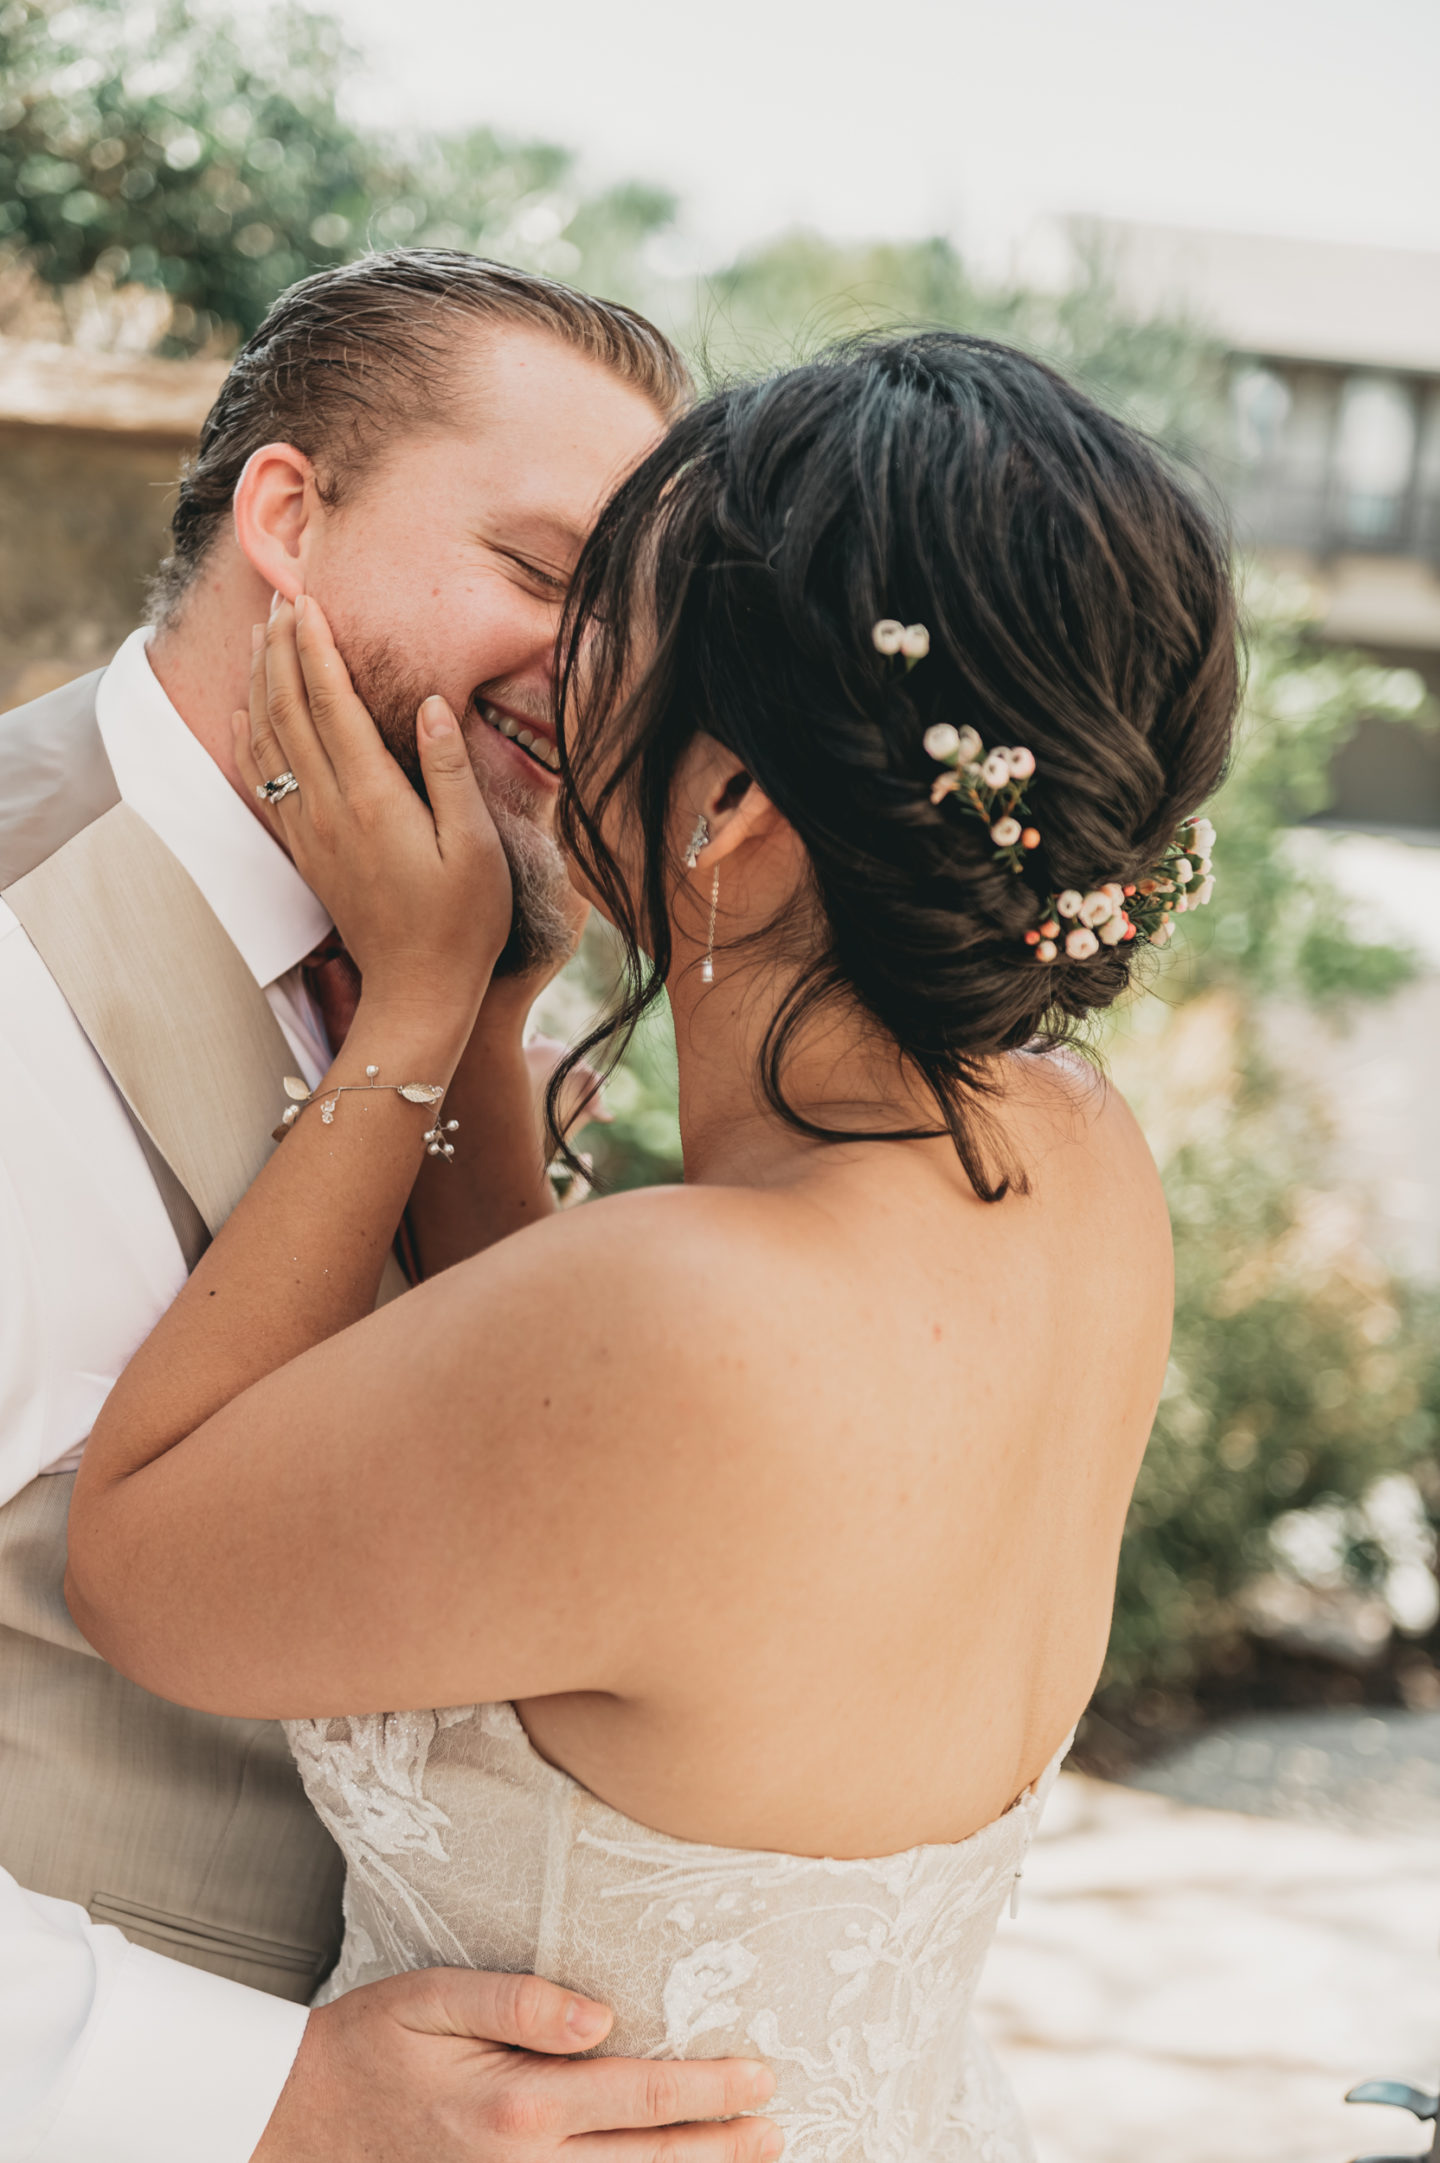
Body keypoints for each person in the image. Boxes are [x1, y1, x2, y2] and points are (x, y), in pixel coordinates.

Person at [65, 332, 1240, 2163]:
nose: (555, 666)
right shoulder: (1074, 1155)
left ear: (742, 813)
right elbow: (545, 1463)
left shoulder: (686, 1312)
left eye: (607, 611)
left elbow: (137, 1569)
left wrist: (411, 1009)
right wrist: (476, 1022)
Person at [0, 250, 779, 2163]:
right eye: (536, 574)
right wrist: (256, 2095)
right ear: (287, 513)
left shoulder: (448, 944)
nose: (597, 681)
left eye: (637, 628)